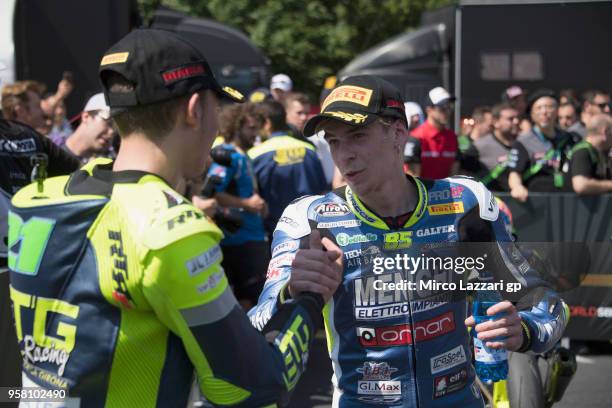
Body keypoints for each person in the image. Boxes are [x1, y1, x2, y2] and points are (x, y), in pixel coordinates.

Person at [8, 28, 340, 407]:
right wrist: (309, 298)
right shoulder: (171, 232)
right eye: (218, 108)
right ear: (195, 108)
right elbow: (252, 388)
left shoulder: (35, 198)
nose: (218, 126)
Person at [249, 75, 568, 407]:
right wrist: (291, 292)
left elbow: (550, 304)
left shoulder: (465, 203)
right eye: (334, 141)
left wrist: (525, 329)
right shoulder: (309, 219)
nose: (344, 155)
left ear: (398, 133)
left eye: (357, 136)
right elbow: (255, 328)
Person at [207, 103, 269, 309]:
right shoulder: (227, 155)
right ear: (236, 126)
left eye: (257, 127)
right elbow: (211, 193)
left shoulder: (242, 154)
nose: (256, 133)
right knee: (248, 301)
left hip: (251, 237)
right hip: (239, 240)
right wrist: (247, 204)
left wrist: (259, 205)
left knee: (253, 298)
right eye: (251, 128)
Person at [248, 100, 328, 235]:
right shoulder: (309, 149)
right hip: (313, 228)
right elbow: (323, 191)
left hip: (276, 233)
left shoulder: (254, 155)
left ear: (267, 123)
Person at [507, 89, 579, 201]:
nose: (544, 112)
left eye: (550, 106)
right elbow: (514, 173)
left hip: (568, 201)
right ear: (531, 113)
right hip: (537, 203)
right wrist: (517, 187)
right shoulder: (523, 142)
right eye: (539, 108)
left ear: (557, 111)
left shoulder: (571, 139)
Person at [461, 103, 520, 191]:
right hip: (491, 201)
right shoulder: (479, 146)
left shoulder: (523, 145)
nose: (516, 121)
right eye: (510, 119)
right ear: (496, 122)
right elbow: (464, 177)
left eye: (517, 118)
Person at [411, 86, 459, 179]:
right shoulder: (417, 137)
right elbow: (412, 177)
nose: (447, 111)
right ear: (429, 109)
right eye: (442, 107)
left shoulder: (452, 137)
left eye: (449, 106)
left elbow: (454, 176)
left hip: (447, 192)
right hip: (422, 192)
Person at [61, 93, 115, 162]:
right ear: (86, 117)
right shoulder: (49, 152)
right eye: (109, 122)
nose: (112, 132)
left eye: (117, 128)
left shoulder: (111, 166)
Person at [567, 114, 612, 194]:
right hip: (574, 205)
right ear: (604, 132)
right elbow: (580, 185)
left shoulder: (597, 152)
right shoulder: (582, 151)